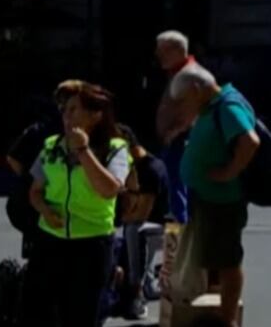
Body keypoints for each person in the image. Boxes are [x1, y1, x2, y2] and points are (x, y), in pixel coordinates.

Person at [21, 82, 130, 327]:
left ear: (95, 115)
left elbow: (109, 189)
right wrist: (44, 210)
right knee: (38, 314)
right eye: (64, 111)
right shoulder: (51, 146)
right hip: (50, 240)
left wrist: (83, 150)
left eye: (73, 110)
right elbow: (35, 191)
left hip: (91, 244)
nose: (66, 117)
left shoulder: (115, 149)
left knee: (81, 316)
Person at [171, 66, 261, 327]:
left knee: (227, 260)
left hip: (222, 202)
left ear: (197, 90)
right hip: (208, 198)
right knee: (214, 257)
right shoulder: (213, 105)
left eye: (186, 99)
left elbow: (250, 141)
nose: (185, 106)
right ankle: (216, 310)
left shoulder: (228, 106)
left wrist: (228, 171)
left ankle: (227, 319)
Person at [5, 81, 79, 258]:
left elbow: (12, 158)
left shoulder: (39, 129)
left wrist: (27, 176)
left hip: (35, 205)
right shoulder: (52, 135)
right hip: (45, 205)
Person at [105, 124, 168, 321]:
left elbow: (141, 214)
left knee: (133, 230)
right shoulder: (131, 167)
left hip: (167, 229)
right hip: (148, 227)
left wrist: (111, 220)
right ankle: (145, 280)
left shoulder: (151, 169)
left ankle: (137, 293)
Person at [154, 30, 206, 224]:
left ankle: (178, 235)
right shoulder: (178, 73)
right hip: (177, 140)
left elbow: (194, 109)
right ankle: (180, 232)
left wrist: (174, 132)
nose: (158, 55)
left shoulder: (188, 75)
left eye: (162, 51)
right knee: (177, 187)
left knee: (177, 189)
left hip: (180, 141)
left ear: (177, 50)